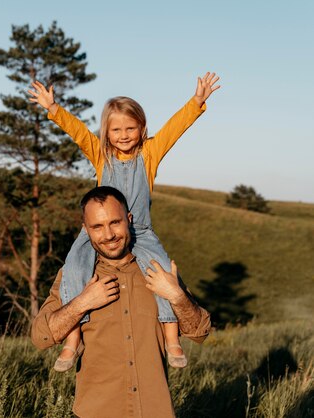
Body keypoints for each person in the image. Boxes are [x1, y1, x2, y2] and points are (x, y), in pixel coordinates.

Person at [28, 72, 220, 371]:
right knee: (75, 267)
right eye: (116, 129)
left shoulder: (149, 154)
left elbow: (173, 129)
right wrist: (54, 109)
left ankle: (172, 340)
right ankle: (72, 339)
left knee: (161, 272)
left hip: (139, 231)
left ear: (142, 128)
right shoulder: (101, 155)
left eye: (131, 127)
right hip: (99, 230)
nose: (124, 134)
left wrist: (196, 102)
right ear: (106, 132)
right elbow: (77, 132)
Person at [31, 186, 211, 418]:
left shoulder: (157, 270)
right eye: (97, 226)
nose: (108, 235)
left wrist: (176, 296)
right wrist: (82, 302)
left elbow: (200, 332)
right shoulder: (75, 277)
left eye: (115, 222)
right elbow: (41, 337)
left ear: (129, 219)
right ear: (86, 230)